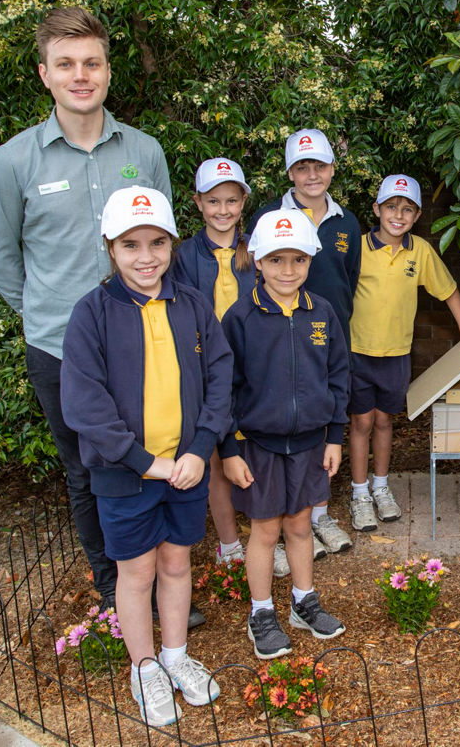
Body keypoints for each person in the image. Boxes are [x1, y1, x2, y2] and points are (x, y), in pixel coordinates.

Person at [0, 7, 198, 622]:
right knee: (88, 469)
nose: (81, 76)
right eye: (67, 64)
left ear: (107, 70)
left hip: (147, 336)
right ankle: (114, 585)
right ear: (44, 73)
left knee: (157, 452)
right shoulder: (15, 162)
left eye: (92, 63)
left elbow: (163, 241)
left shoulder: (144, 151)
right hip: (59, 348)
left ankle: (163, 576)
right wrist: (52, 317)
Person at [60, 187, 232, 726]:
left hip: (186, 469)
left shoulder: (193, 305)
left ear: (173, 244)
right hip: (127, 475)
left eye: (158, 242)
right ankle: (143, 667)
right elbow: (84, 404)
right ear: (110, 247)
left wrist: (201, 449)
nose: (146, 256)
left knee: (178, 562)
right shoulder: (92, 314)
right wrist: (141, 459)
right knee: (135, 572)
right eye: (130, 244)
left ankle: (176, 655)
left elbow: (220, 379)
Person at [219, 211, 350, 660]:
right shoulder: (240, 318)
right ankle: (261, 612)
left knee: (299, 525)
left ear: (311, 260)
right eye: (276, 260)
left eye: (297, 259)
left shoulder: (323, 313)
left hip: (311, 442)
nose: (287, 271)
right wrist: (230, 449)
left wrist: (334, 436)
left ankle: (302, 601)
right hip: (259, 444)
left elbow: (338, 377)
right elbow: (224, 388)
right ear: (257, 260)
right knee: (264, 529)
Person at [346, 175, 460, 532]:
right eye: (391, 206)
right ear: (376, 209)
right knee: (361, 422)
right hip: (357, 352)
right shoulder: (356, 247)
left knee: (384, 420)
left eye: (407, 209)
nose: (398, 214)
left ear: (417, 214)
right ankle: (359, 494)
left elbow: (449, 290)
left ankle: (381, 486)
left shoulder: (419, 250)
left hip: (396, 354)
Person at [246, 129, 360, 567]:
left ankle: (319, 515)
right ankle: (276, 526)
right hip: (278, 340)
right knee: (285, 422)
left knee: (322, 418)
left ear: (332, 168)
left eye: (320, 165)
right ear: (290, 171)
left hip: (325, 336)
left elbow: (347, 279)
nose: (311, 174)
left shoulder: (346, 221)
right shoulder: (268, 215)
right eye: (302, 166)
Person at [171, 158, 254, 567]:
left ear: (243, 202)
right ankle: (229, 544)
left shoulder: (258, 248)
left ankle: (264, 533)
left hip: (254, 367)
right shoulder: (184, 255)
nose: (223, 210)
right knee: (218, 455)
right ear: (198, 203)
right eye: (213, 201)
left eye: (231, 200)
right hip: (207, 370)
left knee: (255, 451)